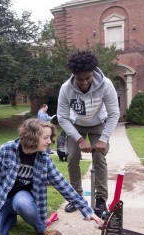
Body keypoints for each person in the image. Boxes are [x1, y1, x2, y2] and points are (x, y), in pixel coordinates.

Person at [0, 118, 103, 235]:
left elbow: (63, 185)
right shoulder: (6, 150)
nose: (49, 141)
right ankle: (10, 218)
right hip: (0, 200)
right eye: (45, 138)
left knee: (22, 201)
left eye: (50, 137)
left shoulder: (44, 159)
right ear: (32, 137)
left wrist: (86, 210)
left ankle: (41, 229)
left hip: (22, 199)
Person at [57, 50, 120, 216]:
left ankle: (100, 200)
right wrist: (79, 139)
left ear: (93, 73)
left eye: (88, 78)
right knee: (72, 158)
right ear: (74, 75)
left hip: (98, 123)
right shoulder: (66, 89)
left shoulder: (105, 85)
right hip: (76, 125)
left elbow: (114, 114)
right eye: (80, 79)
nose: (84, 82)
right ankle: (75, 197)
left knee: (99, 157)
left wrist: (104, 139)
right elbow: (62, 118)